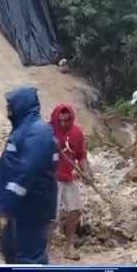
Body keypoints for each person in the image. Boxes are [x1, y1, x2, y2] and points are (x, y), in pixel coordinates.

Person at [0, 86, 59, 266]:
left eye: (10, 105)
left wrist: (6, 202)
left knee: (29, 257)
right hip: (22, 207)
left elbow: (28, 170)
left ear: (21, 105)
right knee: (10, 247)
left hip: (32, 206)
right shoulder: (25, 129)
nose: (8, 110)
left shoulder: (38, 131)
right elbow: (16, 162)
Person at [49, 103, 92, 261]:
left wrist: (86, 172)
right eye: (60, 121)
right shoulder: (47, 132)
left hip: (67, 177)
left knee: (75, 211)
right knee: (50, 217)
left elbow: (81, 155)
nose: (63, 124)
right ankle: (45, 250)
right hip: (50, 179)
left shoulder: (76, 132)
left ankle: (69, 247)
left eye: (67, 120)